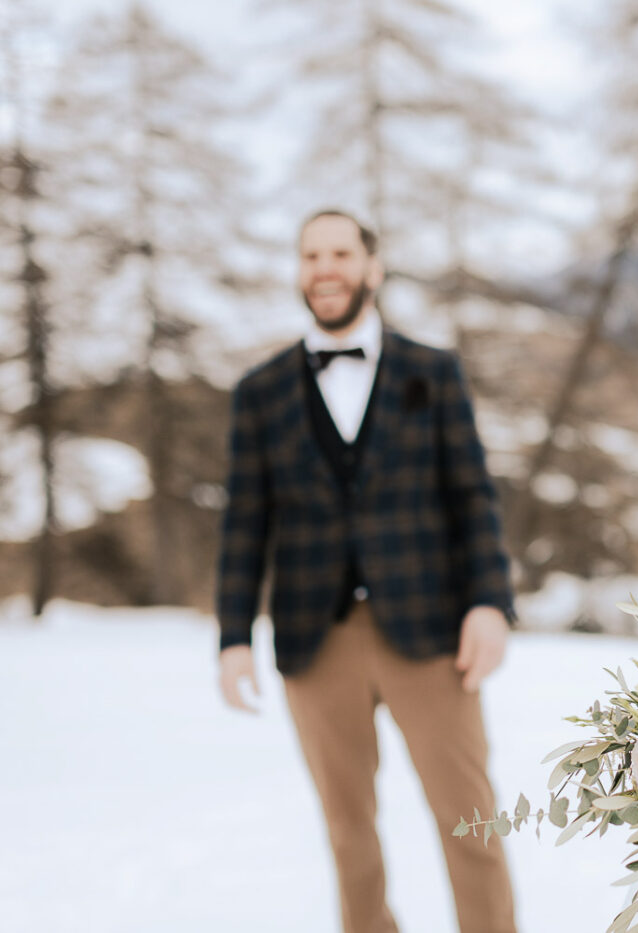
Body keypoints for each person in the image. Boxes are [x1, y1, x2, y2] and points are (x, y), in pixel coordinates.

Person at [215, 209, 517, 933]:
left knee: (470, 819)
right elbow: (244, 519)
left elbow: (472, 494)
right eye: (311, 254)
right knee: (349, 832)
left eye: (341, 252)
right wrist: (231, 634)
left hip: (430, 629)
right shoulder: (260, 391)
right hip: (313, 639)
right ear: (299, 270)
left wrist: (490, 602)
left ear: (371, 268)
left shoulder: (433, 371)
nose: (326, 267)